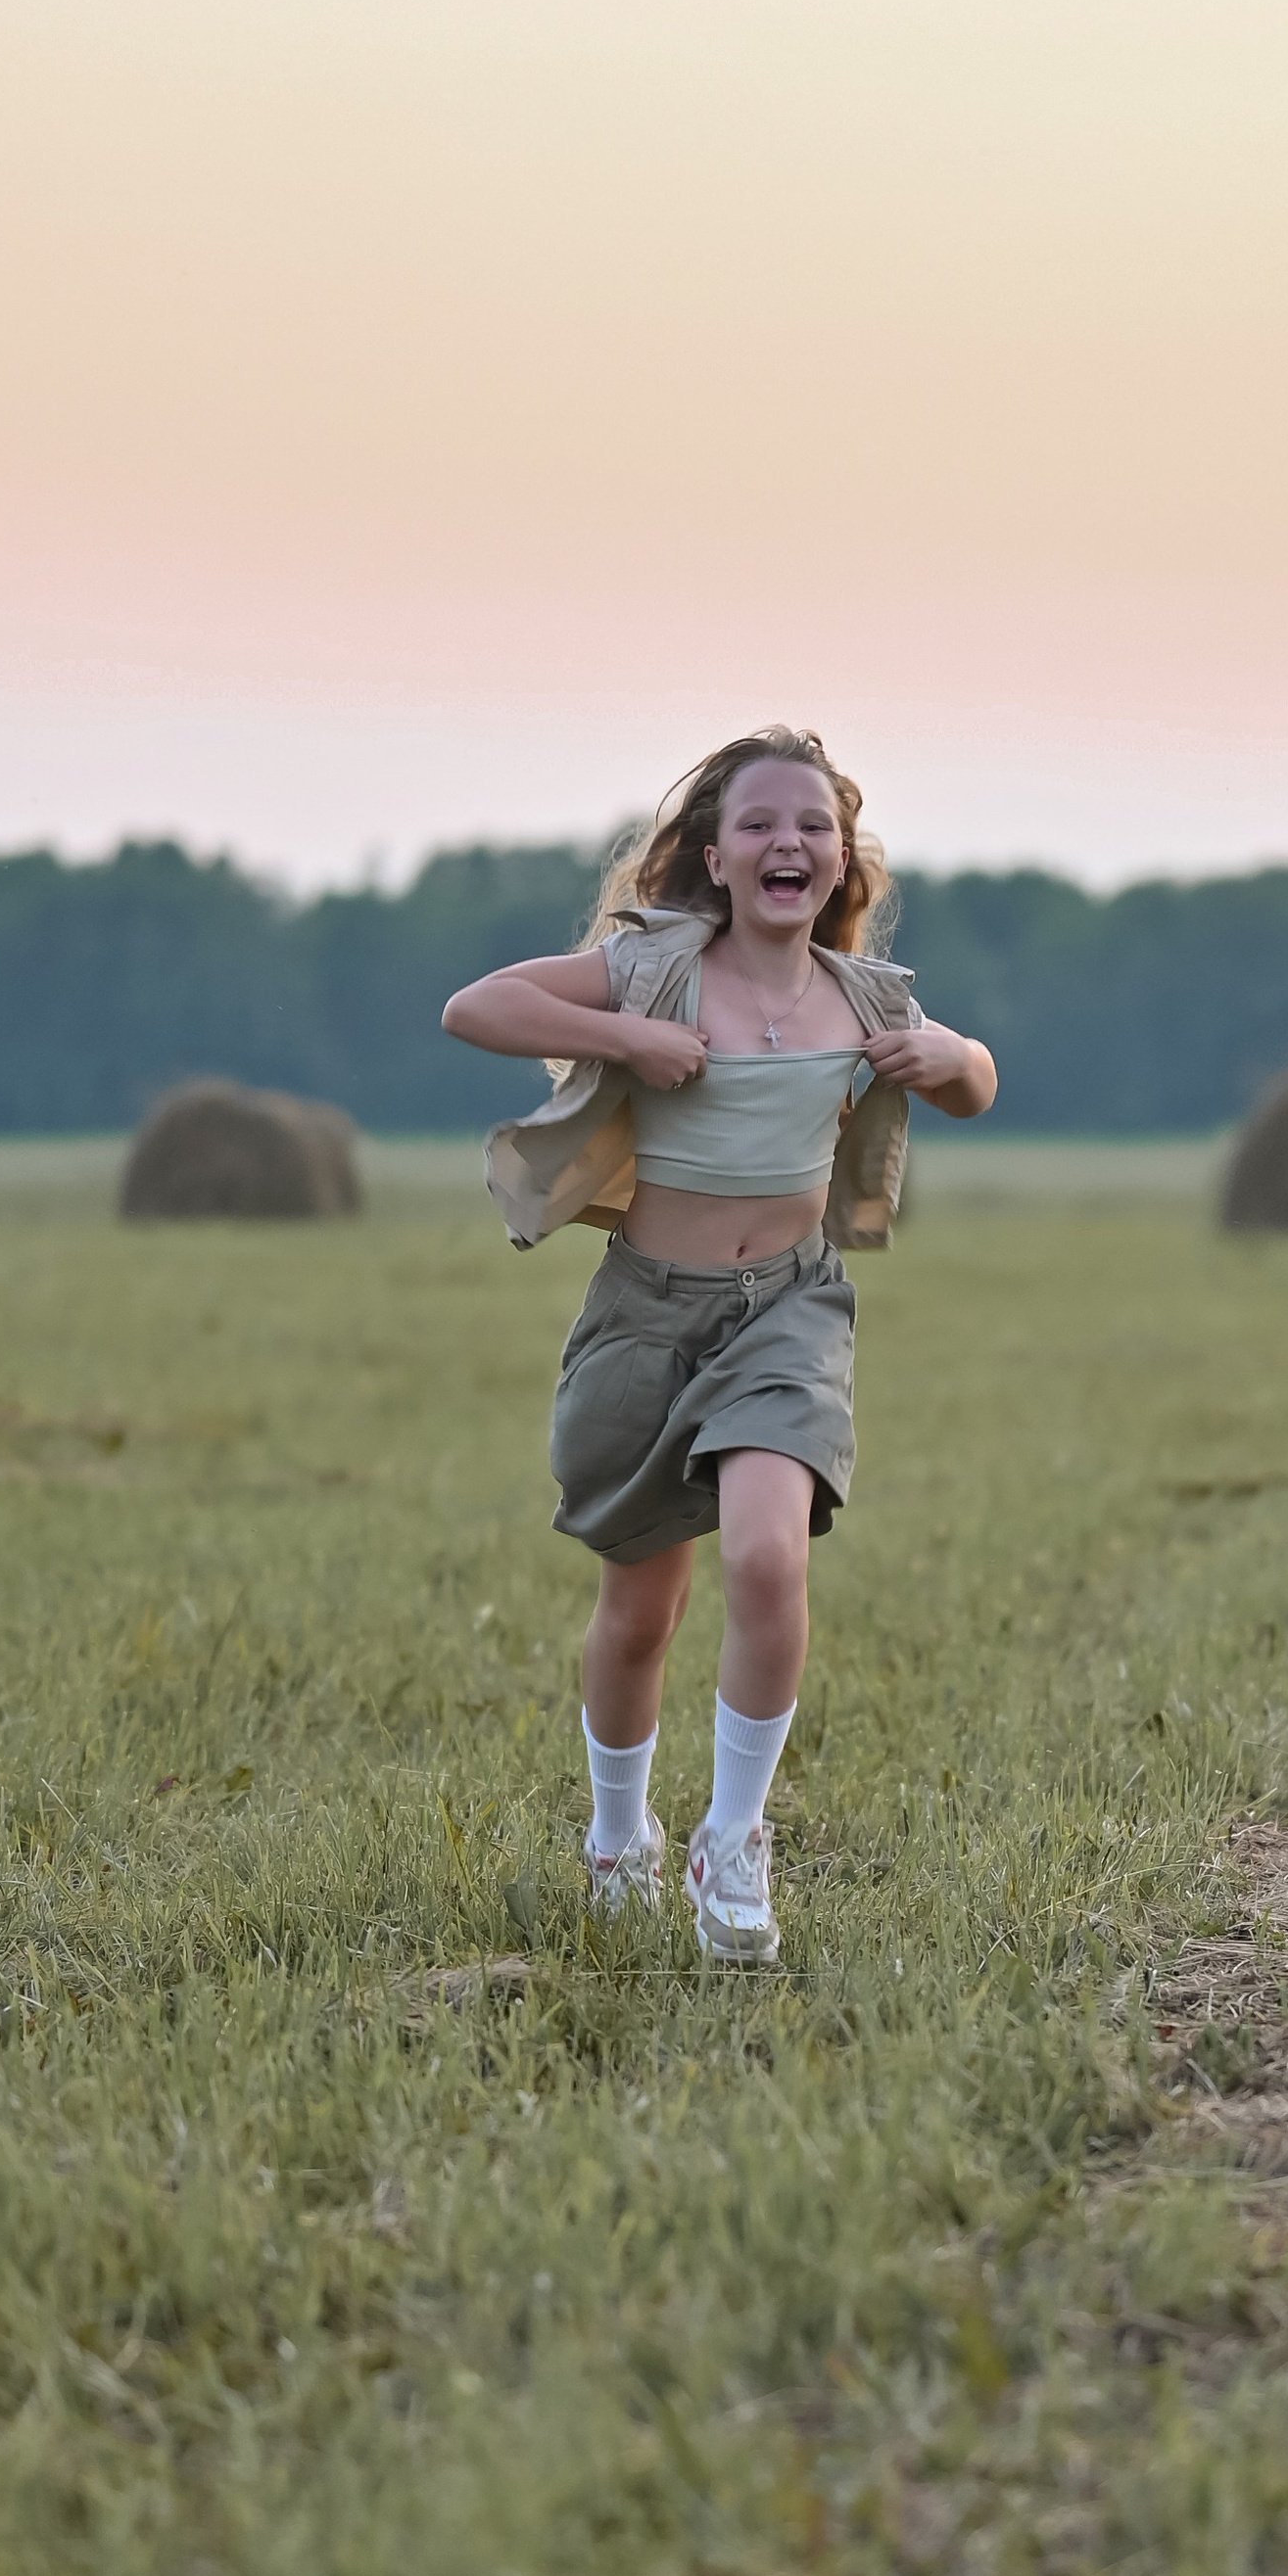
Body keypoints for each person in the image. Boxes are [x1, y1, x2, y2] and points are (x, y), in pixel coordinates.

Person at [440, 726, 999, 1965]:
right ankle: (618, 1838)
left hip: (789, 1313)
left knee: (764, 1561)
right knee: (640, 1613)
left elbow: (975, 1083)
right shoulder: (654, 973)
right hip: (647, 1315)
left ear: (841, 858)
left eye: (811, 825)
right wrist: (625, 1042)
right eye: (757, 824)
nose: (785, 842)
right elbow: (476, 1007)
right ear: (713, 854)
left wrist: (948, 1057)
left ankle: (735, 1842)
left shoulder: (865, 1001)